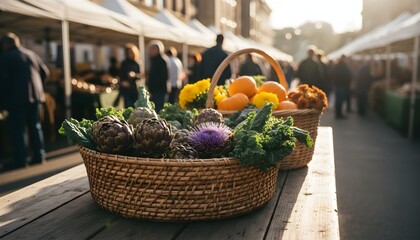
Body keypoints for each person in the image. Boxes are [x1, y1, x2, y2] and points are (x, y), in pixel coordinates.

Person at [0, 33, 49, 169]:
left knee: (18, 129)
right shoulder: (31, 54)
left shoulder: (6, 57)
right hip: (36, 96)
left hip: (17, 99)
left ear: (5, 44)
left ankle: (21, 160)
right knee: (35, 127)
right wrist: (38, 86)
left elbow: (3, 81)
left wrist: (2, 101)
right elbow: (45, 73)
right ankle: (39, 156)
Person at [147, 40, 169, 112]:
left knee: (158, 110)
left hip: (159, 91)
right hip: (155, 91)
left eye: (152, 49)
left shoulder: (162, 60)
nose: (150, 51)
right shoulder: (154, 60)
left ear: (157, 50)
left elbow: (163, 77)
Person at [332, 55, 353, 119]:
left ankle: (338, 113)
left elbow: (333, 75)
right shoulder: (344, 66)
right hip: (343, 85)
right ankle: (339, 114)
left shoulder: (337, 65)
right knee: (340, 100)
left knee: (338, 100)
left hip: (339, 85)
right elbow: (348, 75)